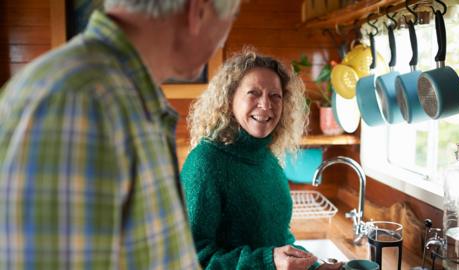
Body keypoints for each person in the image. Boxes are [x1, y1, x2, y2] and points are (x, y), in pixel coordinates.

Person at [0, 0, 240, 269]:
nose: (222, 40)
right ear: (198, 12)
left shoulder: (126, 95)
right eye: (232, 16)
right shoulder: (80, 100)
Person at [181, 50, 344, 270]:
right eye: (253, 93)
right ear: (230, 100)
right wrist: (268, 261)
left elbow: (280, 241)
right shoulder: (205, 163)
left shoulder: (267, 158)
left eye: (275, 96)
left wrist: (314, 267)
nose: (266, 105)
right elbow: (191, 258)